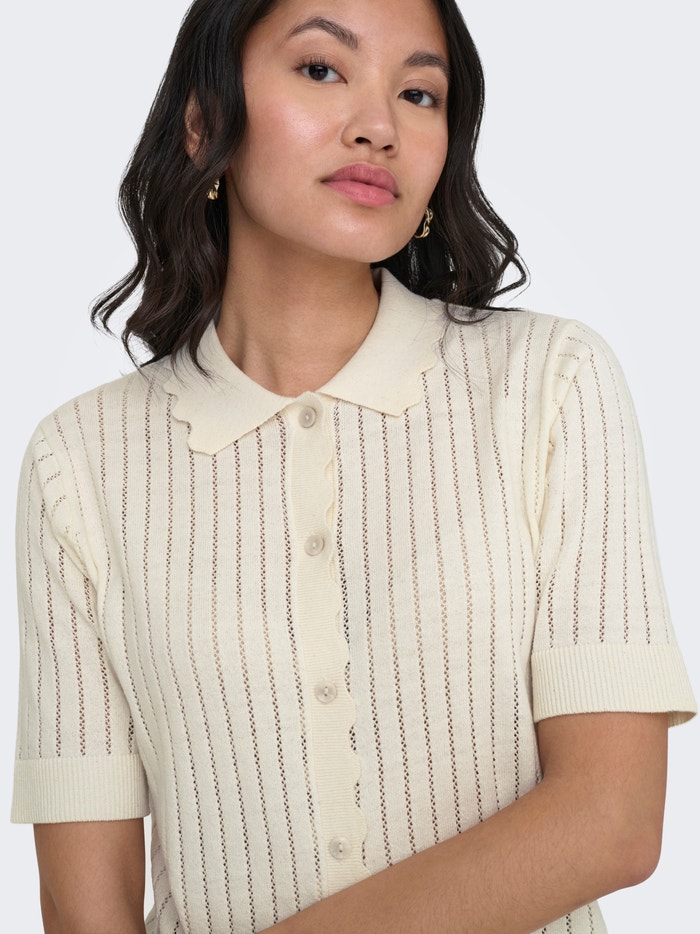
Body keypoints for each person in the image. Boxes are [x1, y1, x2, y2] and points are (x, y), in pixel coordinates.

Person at [11, 0, 696, 931]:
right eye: (322, 69)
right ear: (204, 122)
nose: (380, 126)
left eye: (420, 94)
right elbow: (86, 910)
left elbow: (611, 823)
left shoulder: (548, 384)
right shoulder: (81, 462)